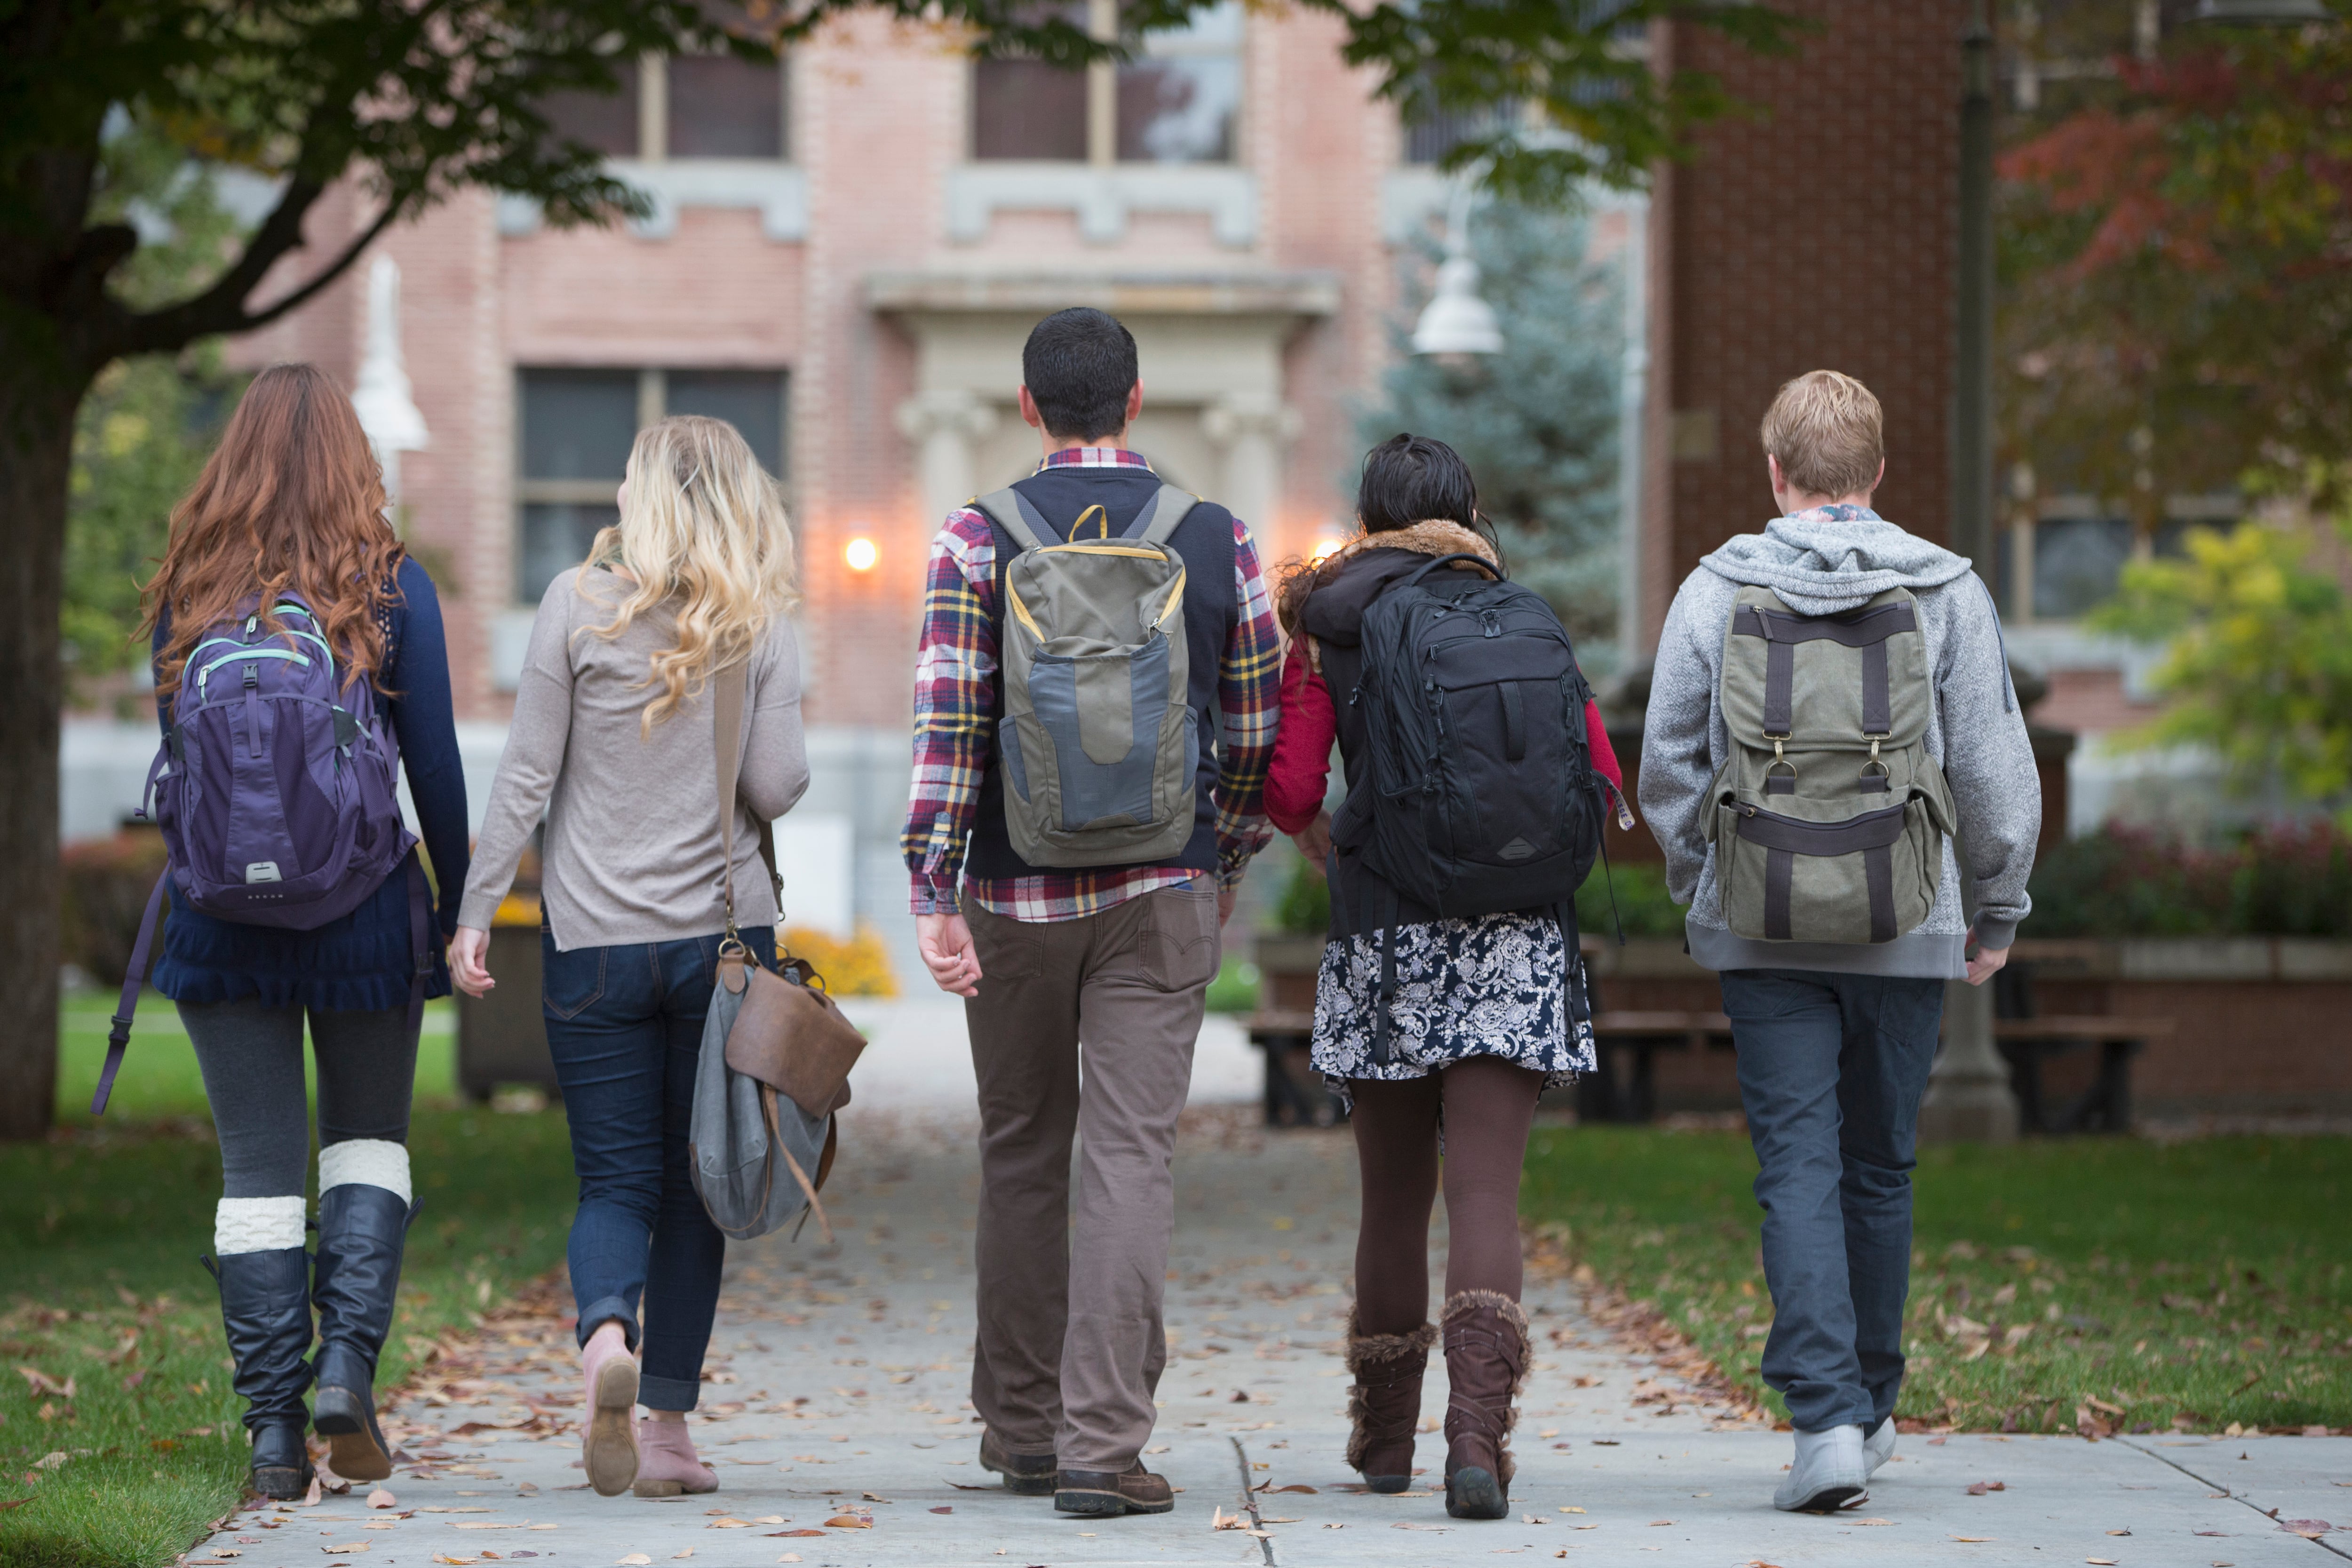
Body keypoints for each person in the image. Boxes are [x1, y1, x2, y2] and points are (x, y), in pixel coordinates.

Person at [902, 307, 1279, 1518]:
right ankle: (1101, 1445)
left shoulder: (976, 536)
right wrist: (1218, 851)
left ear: (1028, 407)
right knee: (1129, 1156)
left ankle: (1019, 1428)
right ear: (1134, 400)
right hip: (1162, 888)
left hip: (1014, 892)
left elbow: (948, 723)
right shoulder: (1219, 538)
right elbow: (1259, 723)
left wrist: (932, 887)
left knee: (1021, 1151)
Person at [1640, 371, 2039, 1512]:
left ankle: (1819, 1423)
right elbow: (1994, 772)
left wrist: (1705, 881)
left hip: (1761, 925)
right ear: (1876, 472)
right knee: (1880, 1165)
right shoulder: (1946, 589)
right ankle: (1867, 1409)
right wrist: (1995, 906)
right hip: (1910, 917)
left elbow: (1669, 760)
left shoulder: (1718, 587)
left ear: (1775, 471)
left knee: (1796, 1165)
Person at [1263, 434, 1624, 1520]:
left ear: (1368, 516)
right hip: (1516, 937)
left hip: (1388, 940)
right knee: (1485, 1192)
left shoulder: (1332, 621)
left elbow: (1286, 782)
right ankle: (1477, 1440)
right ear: (1466, 509)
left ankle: (1384, 1441)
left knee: (1392, 1199)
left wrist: (1322, 833)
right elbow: (1599, 777)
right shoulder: (1516, 612)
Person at [449, 414, 809, 1500]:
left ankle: (604, 1335)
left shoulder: (574, 602)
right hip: (721, 949)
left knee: (612, 1179)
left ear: (641, 494)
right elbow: (780, 784)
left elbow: (524, 773)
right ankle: (666, 1433)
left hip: (594, 945)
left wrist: (475, 911)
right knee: (696, 1188)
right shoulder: (759, 618)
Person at [138, 363, 469, 1499]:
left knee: (257, 1173)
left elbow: (183, 768)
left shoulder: (189, 588)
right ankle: (345, 1369)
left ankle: (274, 1434)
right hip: (367, 911)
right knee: (368, 1144)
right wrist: (460, 901)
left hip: (218, 922)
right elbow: (435, 769)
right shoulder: (387, 585)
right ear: (350, 457)